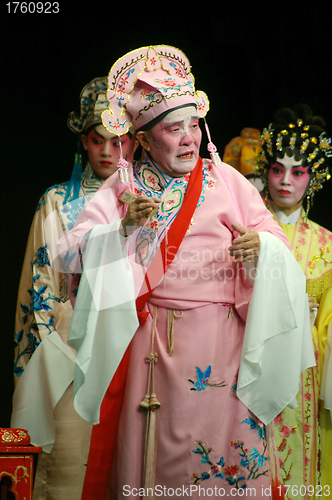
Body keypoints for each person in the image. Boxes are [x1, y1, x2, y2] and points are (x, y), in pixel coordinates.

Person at [55, 46, 315, 500]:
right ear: (144, 138)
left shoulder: (228, 181)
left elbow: (276, 242)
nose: (189, 139)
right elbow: (68, 254)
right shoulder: (125, 186)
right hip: (151, 351)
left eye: (193, 126)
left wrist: (263, 249)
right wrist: (121, 230)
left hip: (223, 349)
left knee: (222, 465)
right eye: (174, 129)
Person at [10, 76, 131, 500]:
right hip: (69, 341)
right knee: (68, 460)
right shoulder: (57, 201)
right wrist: (50, 345)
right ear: (84, 142)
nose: (108, 152)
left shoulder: (145, 204)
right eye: (99, 140)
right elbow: (38, 284)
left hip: (129, 340)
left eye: (118, 142)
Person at [255, 103, 332, 498]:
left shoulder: (326, 245)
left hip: (306, 376)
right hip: (249, 364)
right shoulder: (245, 229)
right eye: (277, 169)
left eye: (298, 171)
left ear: (312, 178)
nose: (285, 180)